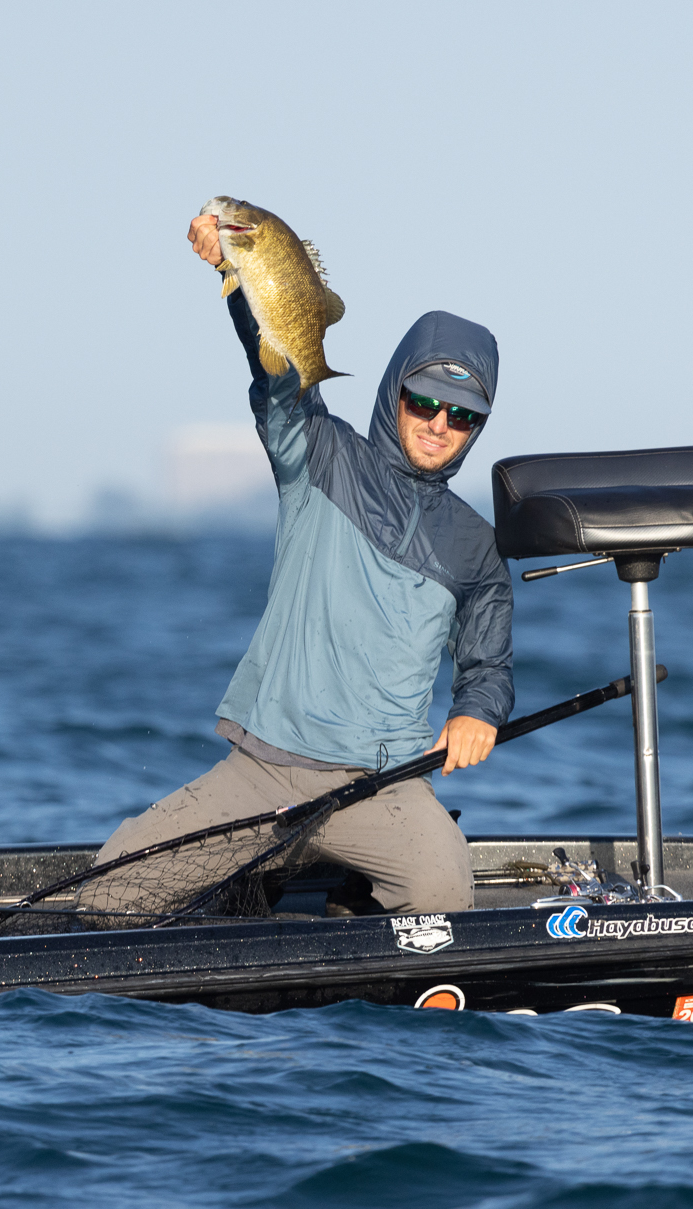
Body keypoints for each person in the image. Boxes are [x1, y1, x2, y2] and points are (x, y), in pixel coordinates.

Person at [92, 212, 514, 915]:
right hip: (263, 772)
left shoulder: (475, 544)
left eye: (462, 415)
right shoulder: (319, 451)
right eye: (425, 401)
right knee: (108, 897)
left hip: (383, 786)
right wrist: (234, 277)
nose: (440, 424)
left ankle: (347, 923)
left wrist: (479, 711)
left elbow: (488, 665)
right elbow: (277, 368)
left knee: (443, 894)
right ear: (394, 393)